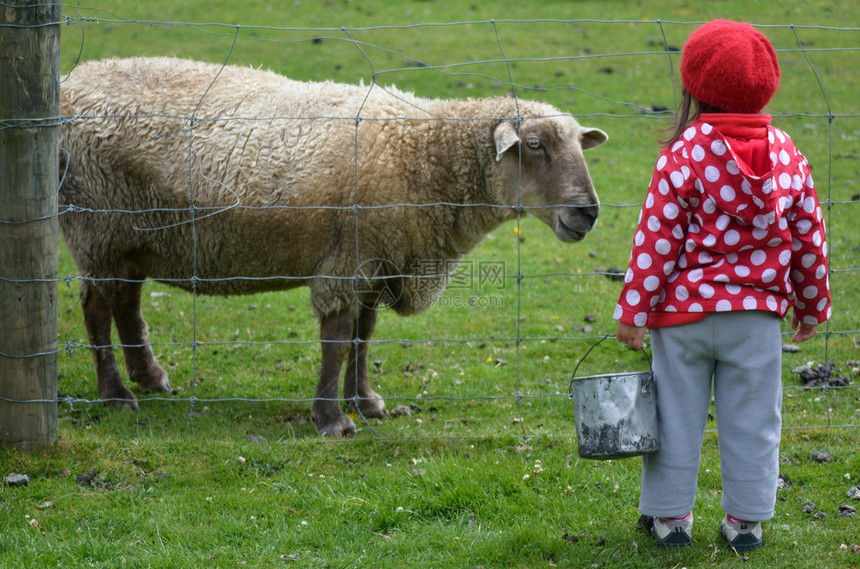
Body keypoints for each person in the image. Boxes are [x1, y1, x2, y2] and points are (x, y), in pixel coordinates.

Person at [613, 20, 831, 551]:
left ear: (693, 85)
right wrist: (812, 303)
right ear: (766, 85)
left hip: (683, 318)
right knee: (755, 419)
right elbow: (809, 237)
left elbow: (656, 239)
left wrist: (633, 310)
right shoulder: (787, 156)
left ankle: (670, 521)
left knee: (675, 418)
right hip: (755, 319)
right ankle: (746, 523)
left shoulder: (684, 154)